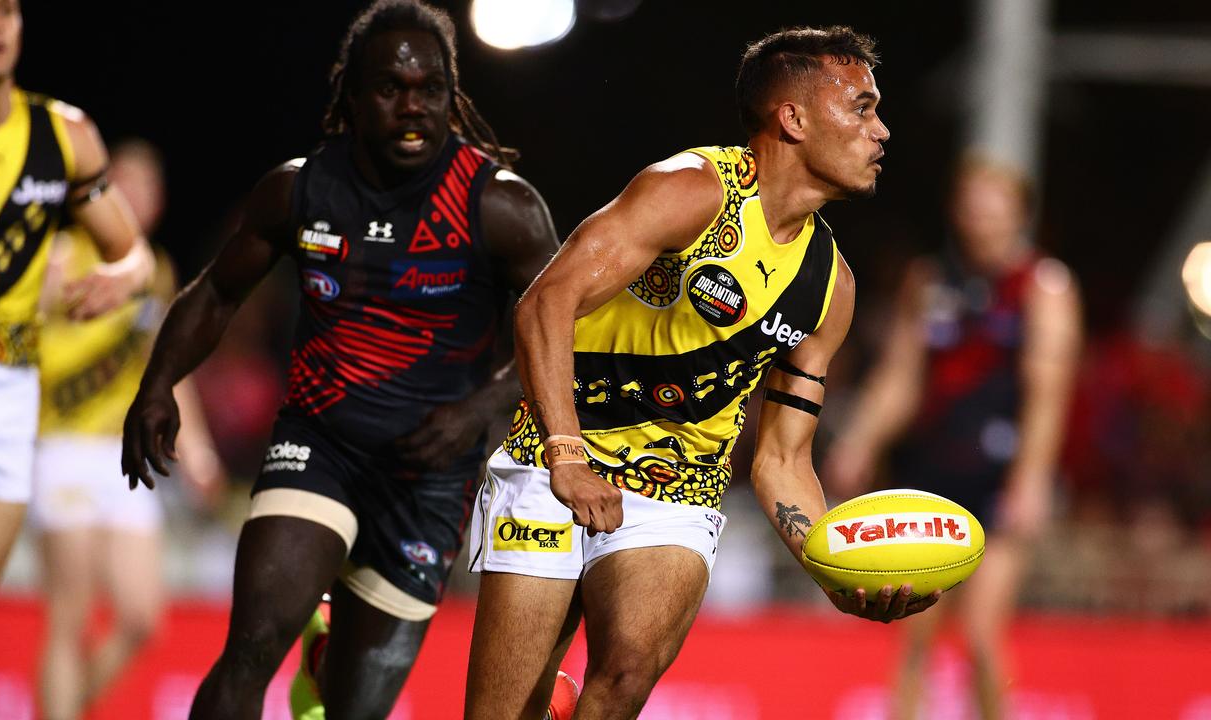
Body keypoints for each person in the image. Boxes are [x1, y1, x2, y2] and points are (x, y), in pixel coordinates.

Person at [464, 25, 939, 720]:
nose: (883, 131)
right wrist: (566, 456)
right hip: (556, 458)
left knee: (626, 672)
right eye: (862, 108)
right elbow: (545, 304)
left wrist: (839, 569)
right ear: (794, 118)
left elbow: (782, 460)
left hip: (678, 489)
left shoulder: (829, 287)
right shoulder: (689, 191)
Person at [120, 1, 561, 718]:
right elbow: (217, 294)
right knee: (253, 645)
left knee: (351, 710)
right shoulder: (300, 188)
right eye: (390, 89)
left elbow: (564, 331)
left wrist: (480, 409)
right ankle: (303, 646)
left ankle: (325, 663)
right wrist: (158, 385)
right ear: (352, 96)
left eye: (431, 90)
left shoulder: (501, 208)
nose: (412, 107)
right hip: (319, 444)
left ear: (454, 95)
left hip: (428, 478)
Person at [0, 0, 154, 716]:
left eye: (7, 10)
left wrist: (116, 279)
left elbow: (134, 255)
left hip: (7, 397)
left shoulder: (65, 133)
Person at [823, 154, 1082, 720]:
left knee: (983, 634)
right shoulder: (931, 280)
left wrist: (1032, 481)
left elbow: (1048, 394)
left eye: (994, 207)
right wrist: (860, 440)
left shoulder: (1043, 287)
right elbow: (901, 376)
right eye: (971, 205)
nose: (980, 218)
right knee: (913, 633)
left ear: (1019, 214)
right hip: (930, 475)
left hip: (1000, 479)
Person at [31, 140, 225, 720]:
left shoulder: (154, 270)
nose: (136, 198)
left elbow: (163, 370)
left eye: (147, 188)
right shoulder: (61, 253)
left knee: (141, 617)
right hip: (60, 448)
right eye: (125, 184)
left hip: (121, 460)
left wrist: (199, 450)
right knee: (70, 613)